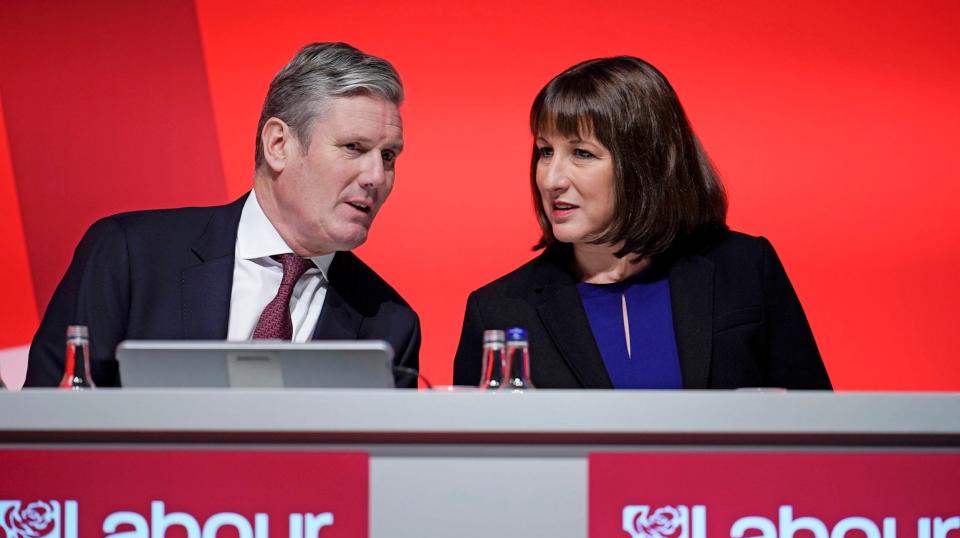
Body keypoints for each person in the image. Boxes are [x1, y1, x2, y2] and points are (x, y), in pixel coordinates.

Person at [25, 42, 420, 387]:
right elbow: (46, 426)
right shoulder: (130, 255)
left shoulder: (390, 325)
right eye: (353, 147)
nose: (376, 177)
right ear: (279, 144)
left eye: (388, 156)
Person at [453, 57, 830, 389]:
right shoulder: (498, 311)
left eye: (582, 153)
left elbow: (819, 436)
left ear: (647, 165)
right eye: (545, 151)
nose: (551, 179)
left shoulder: (746, 268)